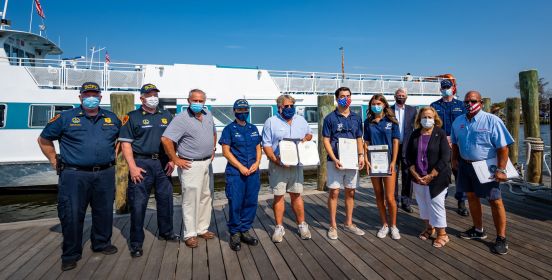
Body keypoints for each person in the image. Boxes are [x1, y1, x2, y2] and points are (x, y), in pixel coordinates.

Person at [37, 82, 121, 271]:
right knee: (72, 213)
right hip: (74, 174)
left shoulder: (111, 118)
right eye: (86, 94)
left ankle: (101, 243)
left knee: (104, 211)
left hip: (105, 173)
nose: (90, 97)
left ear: (100, 97)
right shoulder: (65, 117)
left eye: (94, 94)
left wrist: (112, 154)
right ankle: (71, 254)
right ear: (80, 97)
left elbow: (120, 140)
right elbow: (43, 139)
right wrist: (53, 160)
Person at [118, 83, 180, 258]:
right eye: (149, 94)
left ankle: (166, 232)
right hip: (141, 164)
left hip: (162, 163)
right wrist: (132, 167)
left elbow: (172, 139)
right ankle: (136, 243)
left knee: (166, 201)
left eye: (155, 94)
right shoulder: (132, 117)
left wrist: (172, 159)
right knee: (138, 205)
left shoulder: (166, 115)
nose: (153, 97)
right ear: (142, 98)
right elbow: (125, 144)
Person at [451, 91, 514, 255]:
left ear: (481, 102)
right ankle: (478, 229)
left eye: (472, 101)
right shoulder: (458, 121)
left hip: (487, 167)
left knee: (495, 201)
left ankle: (501, 238)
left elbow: (503, 147)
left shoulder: (492, 120)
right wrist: (454, 159)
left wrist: (501, 169)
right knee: (471, 197)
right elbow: (455, 143)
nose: (469, 104)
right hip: (465, 166)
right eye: (466, 101)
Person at [161, 89, 217, 248]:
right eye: (195, 100)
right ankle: (190, 234)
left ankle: (202, 228)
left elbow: (213, 133)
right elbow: (166, 139)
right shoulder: (181, 118)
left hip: (207, 162)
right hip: (190, 164)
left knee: (206, 196)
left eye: (201, 101)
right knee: (190, 199)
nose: (198, 103)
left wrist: (212, 149)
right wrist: (175, 159)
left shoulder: (208, 115)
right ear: (188, 100)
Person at [262, 94, 313, 242]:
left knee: (297, 195)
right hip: (278, 165)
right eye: (286, 106)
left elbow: (309, 134)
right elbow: (266, 145)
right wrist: (276, 160)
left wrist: (307, 138)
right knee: (278, 196)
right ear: (279, 107)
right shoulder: (271, 122)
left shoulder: (301, 120)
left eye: (292, 105)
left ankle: (302, 225)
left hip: (297, 164)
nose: (289, 108)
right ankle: (279, 227)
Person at [322, 87, 366, 240]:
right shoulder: (329, 118)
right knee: (334, 192)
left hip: (352, 160)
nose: (345, 98)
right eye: (342, 96)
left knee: (350, 191)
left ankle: (348, 223)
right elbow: (326, 140)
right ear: (336, 98)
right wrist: (334, 158)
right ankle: (333, 225)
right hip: (335, 161)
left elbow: (359, 138)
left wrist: (361, 155)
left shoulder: (356, 117)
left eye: (348, 96)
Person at [219, 99, 262, 251]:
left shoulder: (253, 128)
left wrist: (257, 163)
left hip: (253, 172)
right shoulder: (229, 129)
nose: (243, 113)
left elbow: (258, 148)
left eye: (245, 110)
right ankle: (235, 233)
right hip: (236, 173)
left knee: (251, 202)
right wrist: (240, 167)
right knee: (236, 203)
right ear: (235, 111)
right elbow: (226, 151)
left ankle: (245, 230)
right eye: (240, 110)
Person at [406, 107, 451, 248]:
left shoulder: (440, 133)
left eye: (430, 117)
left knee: (436, 204)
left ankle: (442, 234)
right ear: (419, 119)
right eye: (424, 117)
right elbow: (408, 156)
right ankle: (429, 228)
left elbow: (445, 157)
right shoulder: (415, 134)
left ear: (435, 118)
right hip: (418, 177)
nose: (427, 119)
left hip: (437, 178)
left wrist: (431, 175)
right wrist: (415, 174)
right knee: (423, 204)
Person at [430, 76, 469, 217]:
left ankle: (461, 202)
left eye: (448, 87)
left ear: (453, 89)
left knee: (459, 172)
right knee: (442, 173)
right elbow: (432, 126)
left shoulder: (461, 105)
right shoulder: (434, 106)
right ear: (441, 90)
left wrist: (454, 138)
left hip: (457, 144)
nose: (446, 90)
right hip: (441, 145)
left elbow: (465, 125)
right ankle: (441, 200)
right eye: (444, 88)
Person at [363, 94, 401, 240]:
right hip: (374, 163)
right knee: (378, 196)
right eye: (373, 103)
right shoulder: (368, 122)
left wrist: (393, 162)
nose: (376, 105)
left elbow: (396, 142)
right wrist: (366, 160)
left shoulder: (392, 121)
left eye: (379, 103)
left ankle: (393, 226)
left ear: (384, 104)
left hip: (389, 163)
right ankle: (384, 224)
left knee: (390, 198)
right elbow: (366, 142)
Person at [391, 87, 417, 213]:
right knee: (393, 174)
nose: (400, 96)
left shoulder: (413, 110)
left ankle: (406, 201)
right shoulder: (388, 110)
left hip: (408, 147)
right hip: (393, 147)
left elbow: (416, 128)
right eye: (398, 94)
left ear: (406, 97)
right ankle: (394, 200)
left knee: (407, 175)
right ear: (394, 96)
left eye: (403, 95)